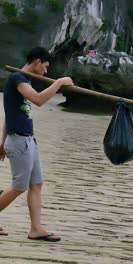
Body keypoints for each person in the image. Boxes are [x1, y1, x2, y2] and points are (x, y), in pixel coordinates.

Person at [0, 47, 74, 242]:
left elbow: (9, 114)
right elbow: (39, 100)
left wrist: (1, 142)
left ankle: (36, 228)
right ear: (37, 62)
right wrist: (59, 82)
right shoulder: (18, 79)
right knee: (19, 186)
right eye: (46, 67)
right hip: (19, 140)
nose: (46, 72)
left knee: (36, 184)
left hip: (28, 140)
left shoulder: (25, 80)